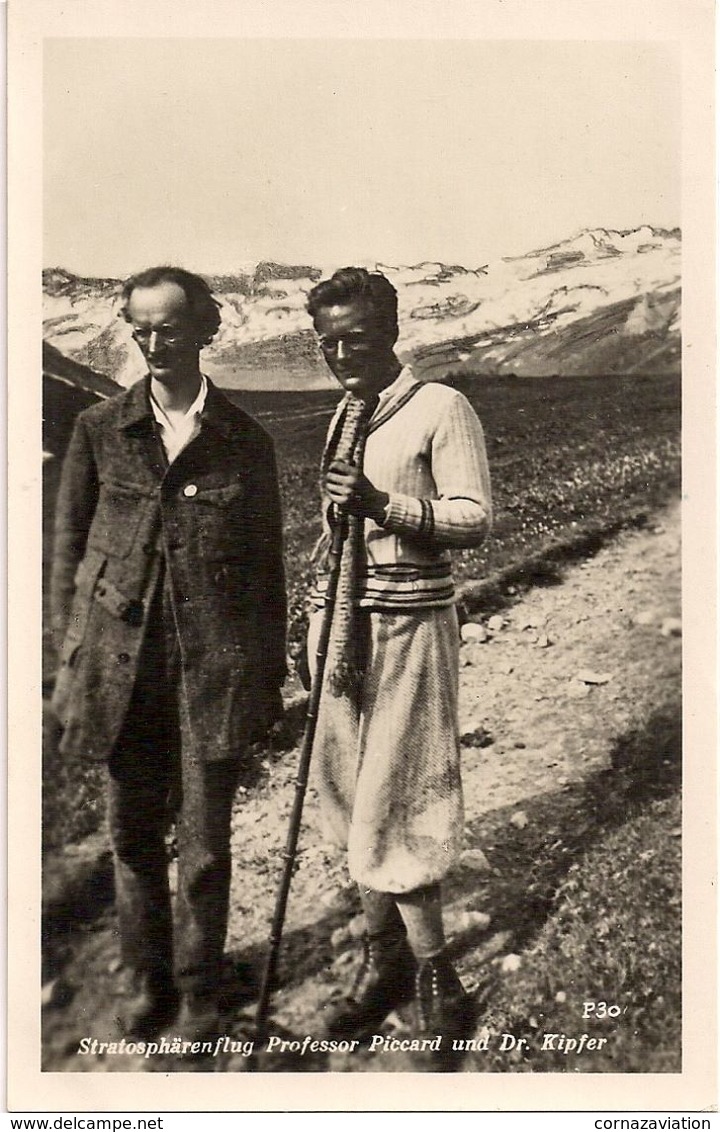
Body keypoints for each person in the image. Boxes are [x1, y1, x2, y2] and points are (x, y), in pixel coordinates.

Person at [50, 266, 287, 1043]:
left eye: (171, 329)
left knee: (209, 849)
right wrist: (68, 668)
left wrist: (266, 678)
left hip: (209, 676)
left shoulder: (242, 442)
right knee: (131, 838)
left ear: (207, 330)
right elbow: (69, 556)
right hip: (123, 675)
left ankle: (199, 991)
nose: (154, 343)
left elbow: (265, 571)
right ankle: (146, 980)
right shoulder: (99, 431)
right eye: (140, 328)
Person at [305, 267, 492, 1045]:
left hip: (409, 627)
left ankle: (434, 977)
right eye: (327, 341)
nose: (343, 352)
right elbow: (334, 533)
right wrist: (309, 618)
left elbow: (474, 519)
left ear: (391, 330)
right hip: (344, 632)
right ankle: (384, 962)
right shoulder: (349, 413)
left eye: (357, 336)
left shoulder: (441, 408)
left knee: (398, 795)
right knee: (347, 793)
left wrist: (385, 506)